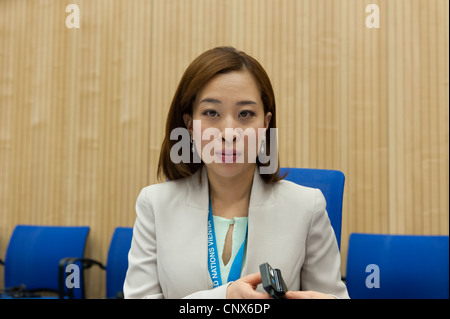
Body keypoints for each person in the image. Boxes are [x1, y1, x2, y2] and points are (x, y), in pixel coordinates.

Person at [123, 46, 349, 299]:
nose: (229, 132)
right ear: (189, 125)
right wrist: (225, 297)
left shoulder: (307, 207)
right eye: (211, 113)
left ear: (265, 124)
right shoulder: (155, 204)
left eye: (245, 114)